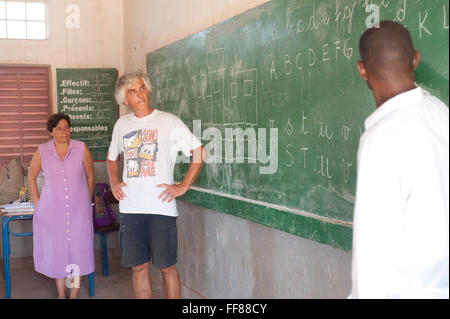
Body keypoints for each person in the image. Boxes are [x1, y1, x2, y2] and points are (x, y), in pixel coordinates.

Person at [350, 21, 449, 298]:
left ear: (362, 69)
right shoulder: (441, 114)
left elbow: (373, 256)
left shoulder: (380, 139)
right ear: (415, 58)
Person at [107, 71, 205, 299]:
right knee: (139, 267)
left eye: (142, 88)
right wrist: (114, 182)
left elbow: (199, 152)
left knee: (167, 267)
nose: (140, 94)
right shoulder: (122, 125)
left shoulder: (168, 121)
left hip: (161, 207)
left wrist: (183, 185)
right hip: (131, 209)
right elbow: (112, 159)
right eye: (133, 91)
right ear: (124, 100)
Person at [28, 113, 95, 299]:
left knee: (77, 251)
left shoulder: (81, 148)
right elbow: (31, 177)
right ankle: (60, 293)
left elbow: (90, 176)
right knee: (57, 251)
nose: (63, 131)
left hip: (78, 210)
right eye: (58, 128)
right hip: (52, 212)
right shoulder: (42, 151)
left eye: (66, 127)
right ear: (50, 132)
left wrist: (86, 201)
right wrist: (37, 204)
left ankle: (73, 295)